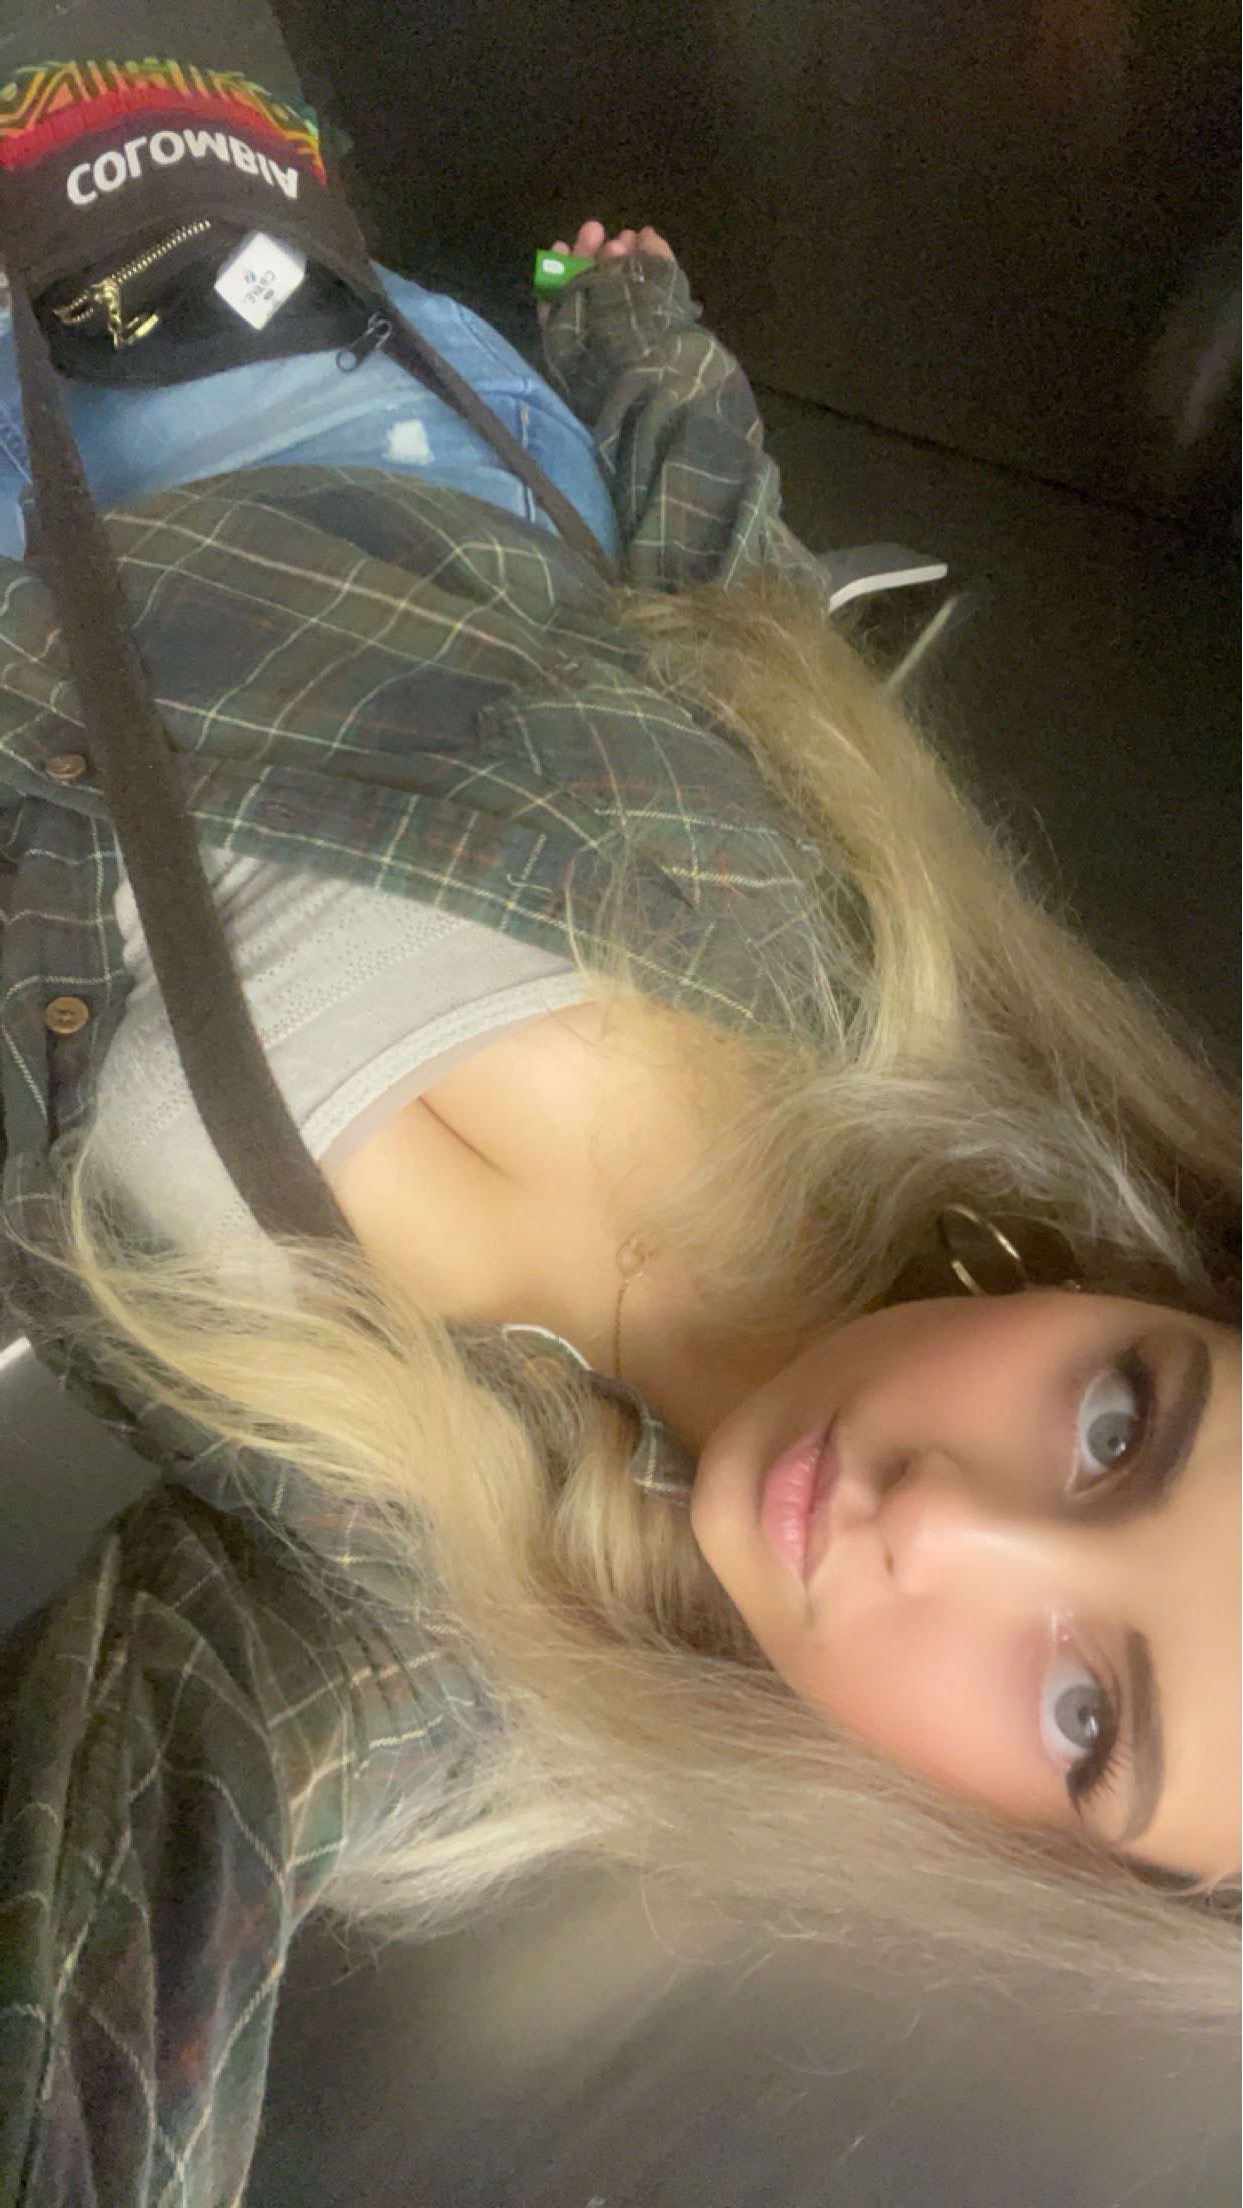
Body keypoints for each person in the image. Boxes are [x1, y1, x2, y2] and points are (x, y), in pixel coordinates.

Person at [0, 36, 1237, 2208]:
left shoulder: (473, 1652)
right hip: (216, 291)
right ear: (1145, 1284)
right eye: (1118, 1429)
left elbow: (141, 1874)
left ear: (1034, 1857)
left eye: (1082, 1718)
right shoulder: (868, 976)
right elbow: (739, 615)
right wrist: (648, 344)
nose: (940, 1527)